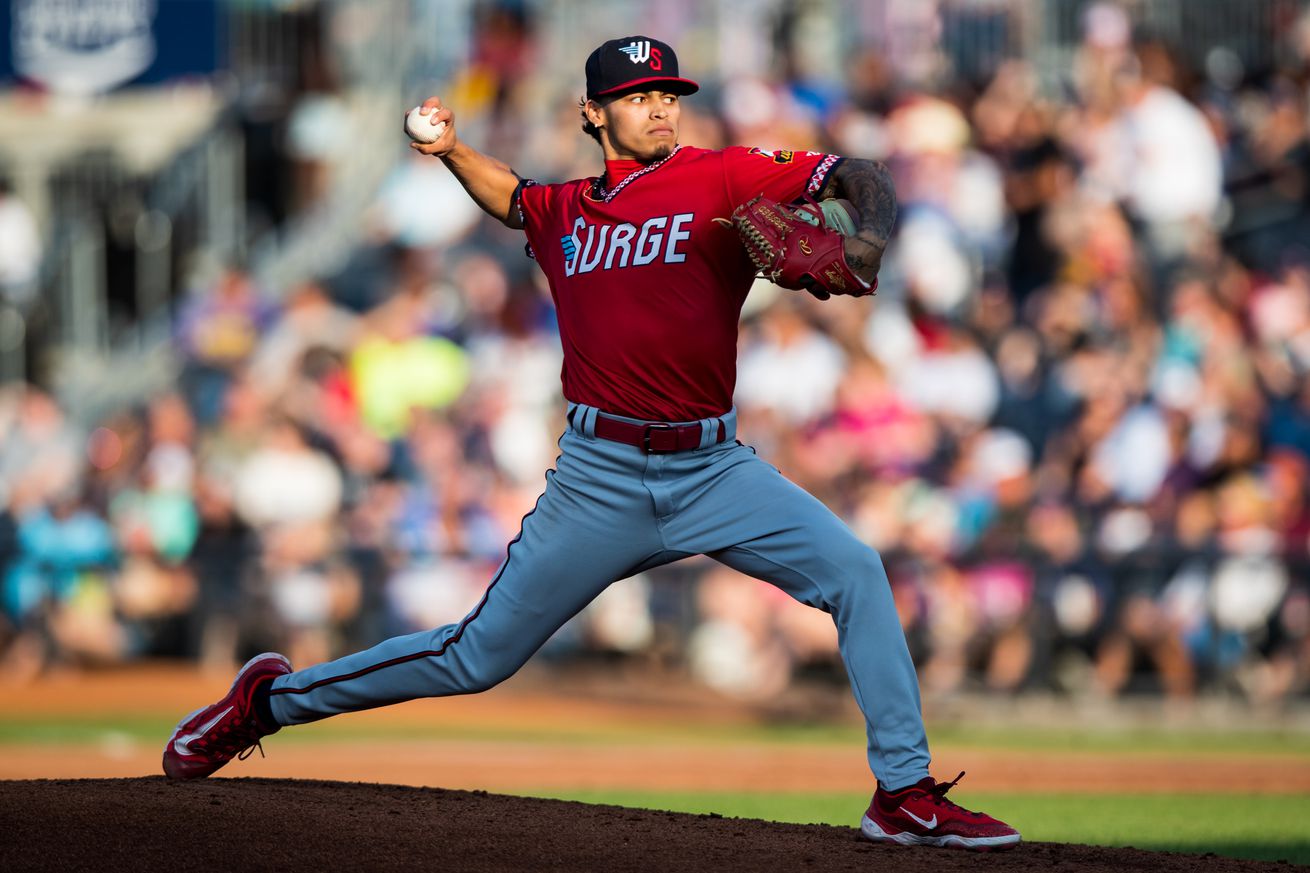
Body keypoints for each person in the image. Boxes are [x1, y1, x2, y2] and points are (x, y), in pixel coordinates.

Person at [162, 35, 1020, 852]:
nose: (656, 108)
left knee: (856, 570)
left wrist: (863, 233)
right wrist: (453, 151)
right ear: (592, 114)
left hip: (712, 467)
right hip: (599, 479)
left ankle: (903, 794)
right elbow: (513, 197)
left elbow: (857, 173)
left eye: (665, 94)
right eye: (635, 96)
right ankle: (268, 701)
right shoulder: (566, 210)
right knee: (474, 656)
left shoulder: (723, 175)